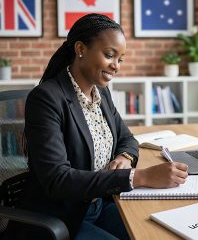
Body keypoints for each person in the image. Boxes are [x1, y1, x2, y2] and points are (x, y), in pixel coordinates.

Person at [4, 13, 188, 240]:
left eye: (120, 59)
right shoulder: (46, 99)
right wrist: (138, 177)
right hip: (62, 217)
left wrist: (124, 158)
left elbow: (127, 138)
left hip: (100, 203)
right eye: (110, 55)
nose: (116, 66)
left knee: (158, 232)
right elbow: (57, 179)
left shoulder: (100, 92)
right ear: (81, 49)